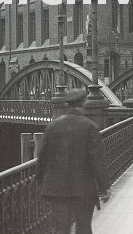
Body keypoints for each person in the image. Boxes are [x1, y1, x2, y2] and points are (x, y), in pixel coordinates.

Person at [36, 88, 109, 234]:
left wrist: (41, 182)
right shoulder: (90, 127)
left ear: (67, 106)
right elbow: (97, 161)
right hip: (83, 189)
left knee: (61, 229)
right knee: (83, 227)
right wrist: (103, 188)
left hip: (57, 189)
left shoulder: (52, 126)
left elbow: (42, 158)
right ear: (84, 103)